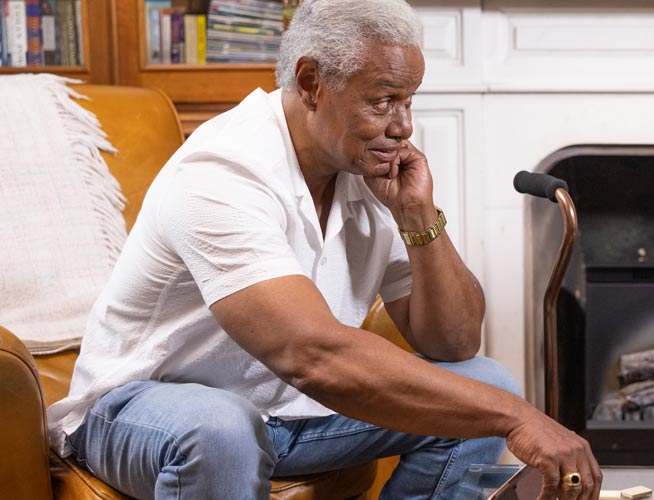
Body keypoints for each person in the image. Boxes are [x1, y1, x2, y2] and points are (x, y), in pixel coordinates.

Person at [44, 1, 601, 499]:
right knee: (220, 428)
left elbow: (453, 341)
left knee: (488, 383)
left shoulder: (364, 168)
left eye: (408, 101)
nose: (403, 127)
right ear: (311, 82)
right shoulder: (221, 174)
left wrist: (417, 216)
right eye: (384, 101)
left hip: (287, 417)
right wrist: (518, 419)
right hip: (144, 414)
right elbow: (311, 355)